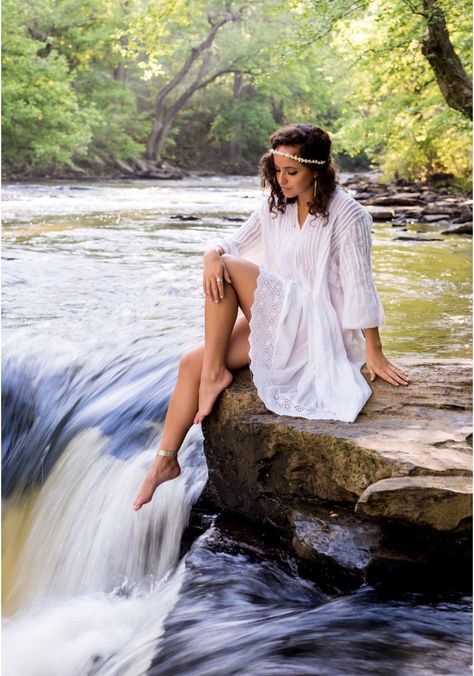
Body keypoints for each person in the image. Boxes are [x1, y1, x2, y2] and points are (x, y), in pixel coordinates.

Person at [133, 123, 409, 511]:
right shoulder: (274, 205)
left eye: (290, 172)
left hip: (316, 324)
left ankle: (215, 375)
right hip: (280, 316)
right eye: (276, 170)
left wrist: (373, 351)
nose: (281, 180)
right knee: (189, 361)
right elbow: (231, 245)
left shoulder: (349, 215)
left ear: (317, 168)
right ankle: (164, 461)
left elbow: (359, 286)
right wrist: (209, 253)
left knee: (227, 267)